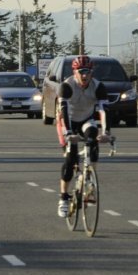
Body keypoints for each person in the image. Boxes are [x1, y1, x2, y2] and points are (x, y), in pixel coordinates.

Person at [56, 55, 111, 217]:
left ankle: (89, 181)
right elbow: (64, 111)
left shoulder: (98, 86)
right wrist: (68, 133)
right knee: (70, 157)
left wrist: (106, 132)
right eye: (81, 72)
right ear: (75, 72)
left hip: (86, 119)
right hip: (68, 122)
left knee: (93, 137)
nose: (85, 75)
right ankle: (64, 198)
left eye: (88, 72)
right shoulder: (66, 86)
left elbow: (103, 110)